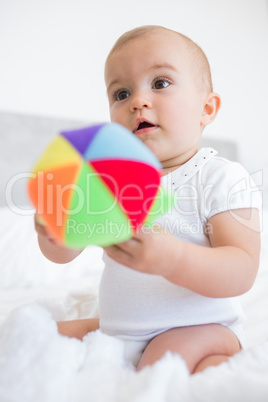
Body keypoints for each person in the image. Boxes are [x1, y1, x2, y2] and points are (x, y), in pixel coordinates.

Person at [35, 25, 261, 374]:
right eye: (121, 93)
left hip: (199, 329)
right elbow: (65, 253)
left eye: (160, 83)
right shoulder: (108, 182)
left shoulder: (220, 177)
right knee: (39, 337)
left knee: (163, 364)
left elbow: (243, 269)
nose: (137, 101)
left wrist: (174, 259)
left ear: (207, 108)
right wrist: (54, 229)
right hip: (119, 329)